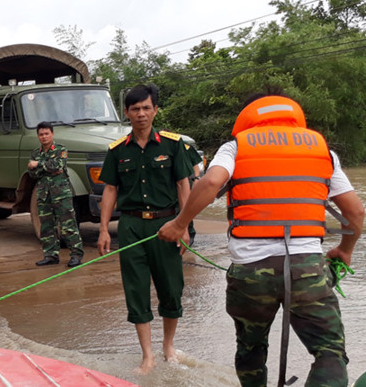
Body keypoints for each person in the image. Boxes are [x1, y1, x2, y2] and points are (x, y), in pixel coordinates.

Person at [158, 94, 364, 386]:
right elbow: (355, 210)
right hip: (307, 268)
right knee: (329, 350)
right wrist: (344, 250)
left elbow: (212, 181)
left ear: (249, 117)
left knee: (252, 349)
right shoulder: (322, 150)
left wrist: (180, 224)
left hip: (251, 270)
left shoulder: (236, 146)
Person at [97, 84, 192, 375]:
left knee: (171, 288)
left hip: (167, 223)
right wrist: (103, 229)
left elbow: (183, 185)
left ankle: (168, 347)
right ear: (127, 113)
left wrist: (184, 225)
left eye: (146, 108)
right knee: (136, 289)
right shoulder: (117, 151)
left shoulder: (173, 145)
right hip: (131, 226)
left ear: (155, 110)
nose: (141, 114)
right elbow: (110, 190)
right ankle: (147, 356)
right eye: (135, 109)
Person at [28, 122, 85, 267]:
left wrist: (39, 165)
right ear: (38, 136)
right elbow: (32, 173)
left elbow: (58, 166)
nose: (44, 137)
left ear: (52, 134)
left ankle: (76, 255)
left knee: (68, 224)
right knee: (47, 226)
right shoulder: (35, 153)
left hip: (61, 193)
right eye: (41, 134)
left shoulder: (61, 149)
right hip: (44, 194)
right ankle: (50, 255)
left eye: (47, 133)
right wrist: (47, 166)